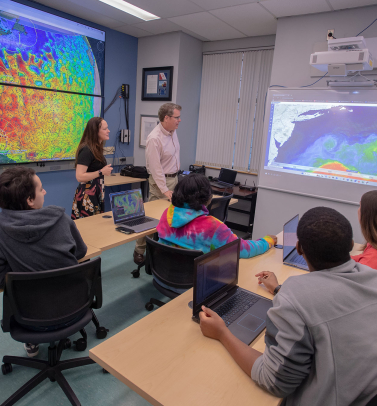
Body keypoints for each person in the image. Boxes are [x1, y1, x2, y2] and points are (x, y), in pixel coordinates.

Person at [199, 207, 377, 406]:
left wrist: (222, 333)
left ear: (299, 248)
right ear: (351, 245)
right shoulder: (371, 276)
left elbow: (274, 381)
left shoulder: (296, 295)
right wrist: (278, 290)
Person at [0, 166, 88, 357]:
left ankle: (32, 342)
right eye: (41, 189)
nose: (45, 192)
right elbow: (81, 251)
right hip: (76, 309)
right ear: (30, 201)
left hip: (30, 320)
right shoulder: (61, 218)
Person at [156, 174, 276, 293]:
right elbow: (244, 249)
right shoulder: (212, 226)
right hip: (194, 287)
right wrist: (268, 241)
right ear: (207, 198)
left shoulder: (167, 214)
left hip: (162, 277)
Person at [133, 103, 182, 265]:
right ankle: (139, 250)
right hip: (160, 181)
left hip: (174, 179)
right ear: (166, 118)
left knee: (171, 218)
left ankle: (163, 250)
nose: (179, 120)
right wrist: (165, 189)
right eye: (177, 117)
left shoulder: (172, 132)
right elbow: (155, 168)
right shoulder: (154, 138)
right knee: (152, 218)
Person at [72, 117, 113, 219]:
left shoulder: (96, 148)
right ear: (95, 131)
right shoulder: (86, 149)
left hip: (96, 193)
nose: (108, 131)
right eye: (104, 129)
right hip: (87, 195)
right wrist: (101, 172)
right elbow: (80, 176)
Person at [351, 190, 377, 270]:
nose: (358, 210)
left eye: (360, 206)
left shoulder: (369, 261)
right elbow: (360, 258)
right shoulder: (373, 244)